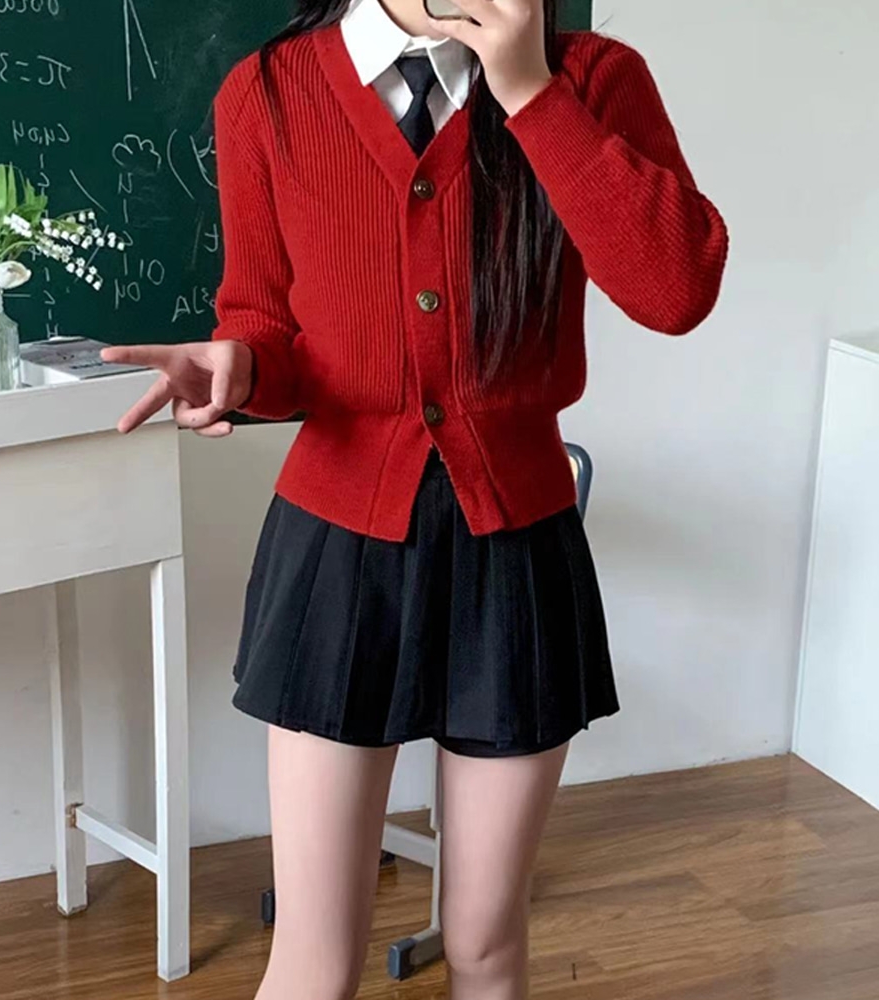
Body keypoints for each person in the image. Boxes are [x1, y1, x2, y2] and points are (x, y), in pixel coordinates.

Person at [105, 0, 727, 996]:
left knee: (485, 946)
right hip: (335, 552)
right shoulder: (269, 93)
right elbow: (265, 322)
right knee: (313, 961)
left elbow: (677, 288)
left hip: (517, 552)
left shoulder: (592, 78)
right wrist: (240, 367)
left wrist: (529, 91)